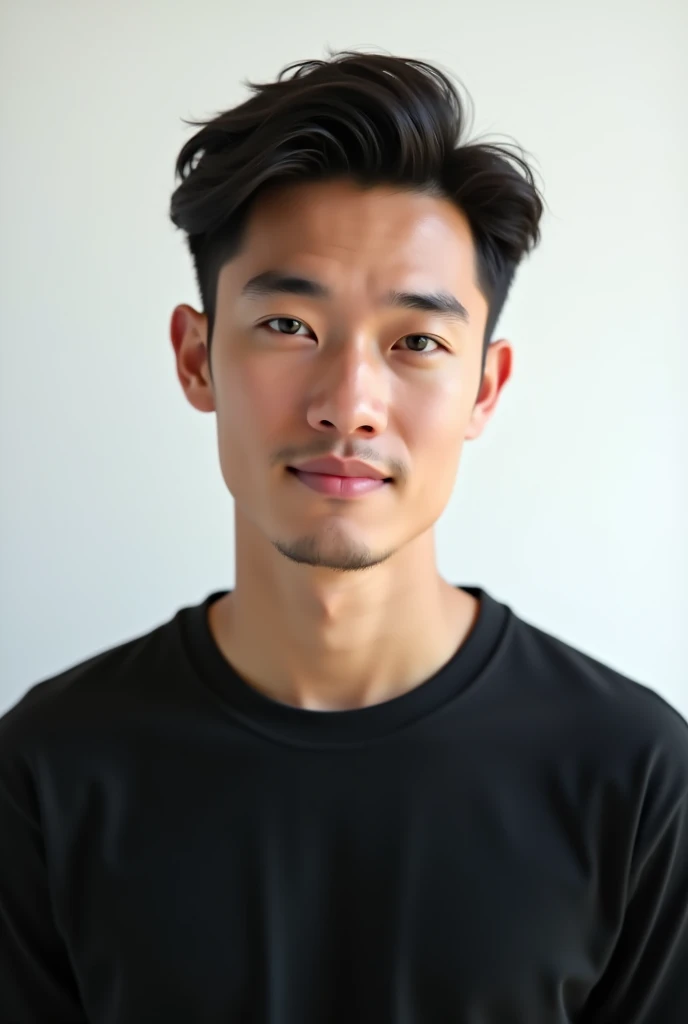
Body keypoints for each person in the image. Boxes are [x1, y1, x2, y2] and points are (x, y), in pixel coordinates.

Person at [1, 50, 686, 1024]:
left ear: (483, 388)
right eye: (288, 323)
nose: (348, 404)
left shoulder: (635, 775)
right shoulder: (50, 769)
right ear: (197, 359)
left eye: (415, 342)